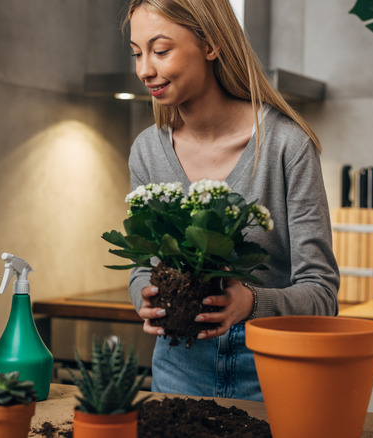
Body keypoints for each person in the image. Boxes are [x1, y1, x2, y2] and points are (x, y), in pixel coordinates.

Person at [125, 0, 340, 401]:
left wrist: (251, 302)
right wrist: (145, 297)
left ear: (211, 44)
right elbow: (143, 268)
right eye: (137, 53)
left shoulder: (286, 145)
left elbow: (322, 292)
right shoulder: (146, 152)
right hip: (178, 367)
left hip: (272, 368)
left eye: (160, 50)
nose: (144, 70)